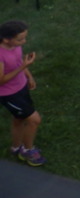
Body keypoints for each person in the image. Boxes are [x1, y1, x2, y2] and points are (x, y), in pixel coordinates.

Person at [0, 21, 45, 166]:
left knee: (19, 119)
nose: (24, 42)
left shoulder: (14, 46)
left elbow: (19, 61)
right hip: (9, 94)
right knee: (34, 120)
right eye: (20, 39)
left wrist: (28, 75)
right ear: (6, 39)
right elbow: (1, 81)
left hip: (21, 87)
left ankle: (16, 147)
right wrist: (24, 67)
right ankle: (28, 150)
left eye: (25, 38)